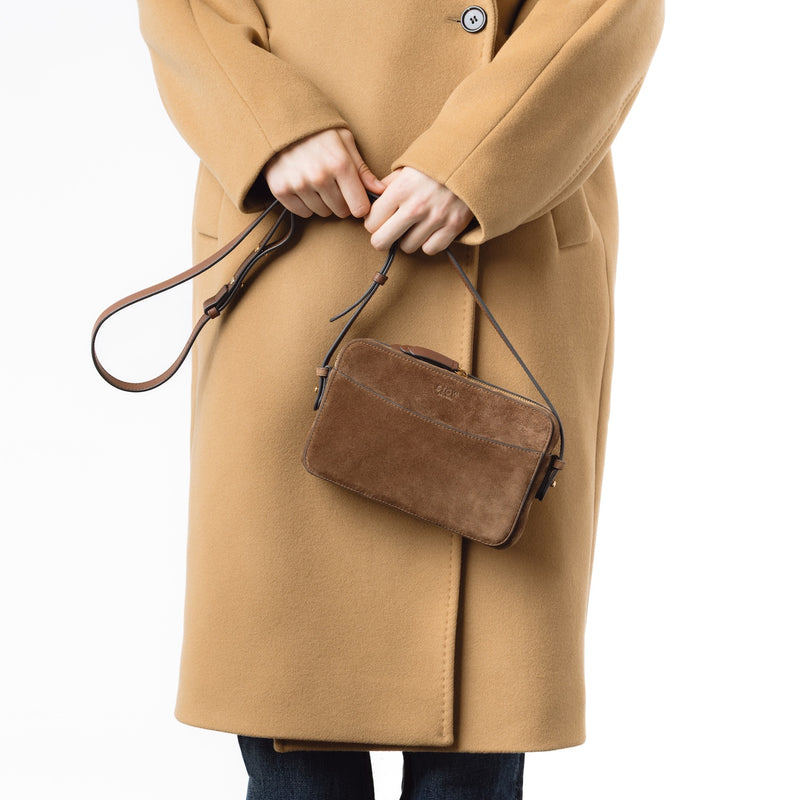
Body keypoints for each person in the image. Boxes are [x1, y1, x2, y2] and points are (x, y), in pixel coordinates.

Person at [136, 1, 663, 797]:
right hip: (294, 233)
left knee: (478, 732)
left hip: (504, 224)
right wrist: (270, 122)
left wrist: (477, 155)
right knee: (290, 717)